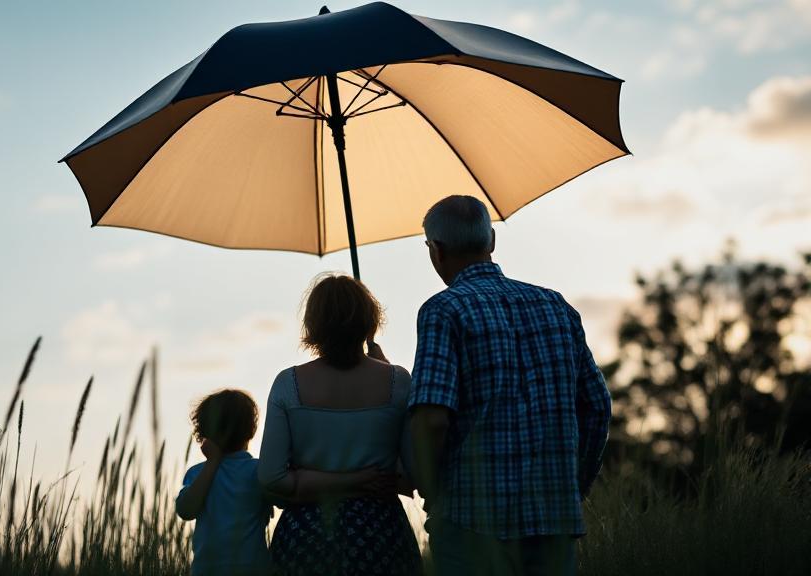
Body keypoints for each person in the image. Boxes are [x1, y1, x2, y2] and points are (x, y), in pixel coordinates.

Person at [408, 195, 612, 576]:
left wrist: (433, 490)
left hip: (471, 522)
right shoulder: (557, 306)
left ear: (436, 250)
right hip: (554, 522)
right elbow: (598, 406)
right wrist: (571, 485)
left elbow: (431, 420)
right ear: (492, 241)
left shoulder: (443, 310)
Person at [258, 274, 422, 576]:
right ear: (369, 319)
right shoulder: (399, 383)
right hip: (380, 535)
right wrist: (362, 479)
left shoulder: (287, 385)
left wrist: (328, 480)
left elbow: (271, 477)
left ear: (314, 324)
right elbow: (413, 473)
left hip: (306, 536)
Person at [176, 389, 272, 576]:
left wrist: (212, 463)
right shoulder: (260, 470)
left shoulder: (198, 473)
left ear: (204, 432)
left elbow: (185, 510)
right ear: (251, 430)